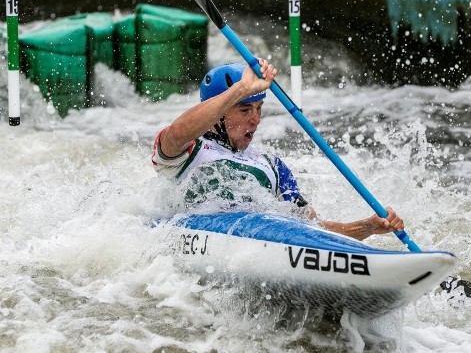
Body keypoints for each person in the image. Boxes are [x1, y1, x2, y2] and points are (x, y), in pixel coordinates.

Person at [151, 59, 405, 241]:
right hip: (196, 237)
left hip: (256, 241)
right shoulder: (187, 150)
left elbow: (312, 231)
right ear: (217, 114)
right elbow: (176, 132)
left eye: (259, 108)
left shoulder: (271, 166)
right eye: (245, 110)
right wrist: (241, 89)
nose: (256, 120)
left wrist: (367, 227)